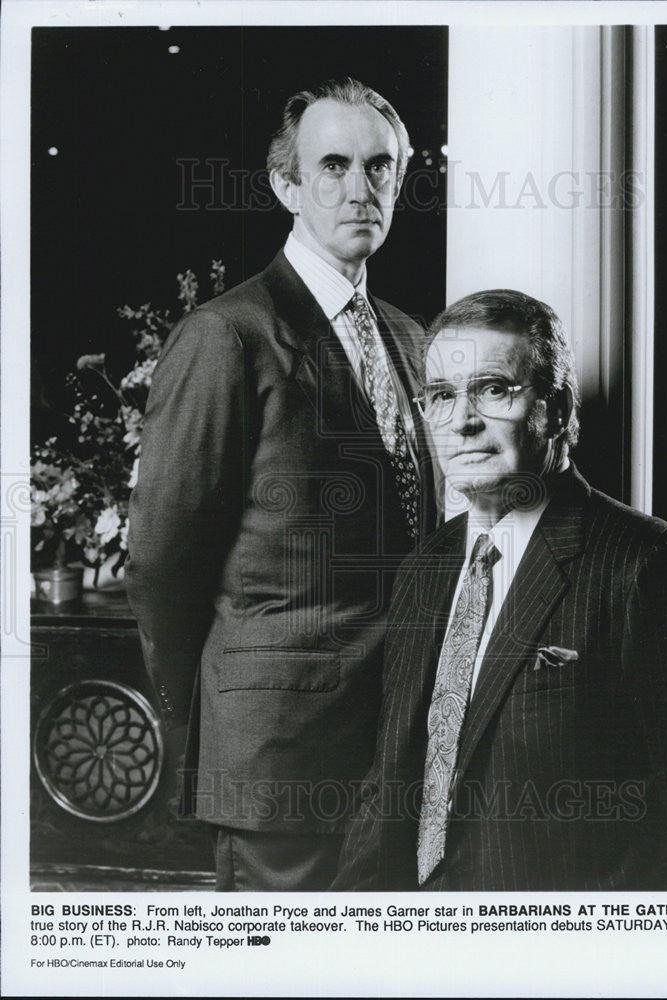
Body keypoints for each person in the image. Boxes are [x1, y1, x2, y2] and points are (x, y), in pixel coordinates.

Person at [335, 289, 667, 892]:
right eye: (442, 396)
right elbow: (386, 789)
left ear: (556, 411)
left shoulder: (652, 568)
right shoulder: (425, 568)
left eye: (493, 389)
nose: (462, 420)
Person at [126, 78, 438, 891]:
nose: (359, 189)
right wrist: (202, 716)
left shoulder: (410, 338)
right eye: (332, 165)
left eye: (381, 167)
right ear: (286, 185)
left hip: (396, 750)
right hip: (276, 759)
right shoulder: (226, 335)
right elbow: (161, 560)